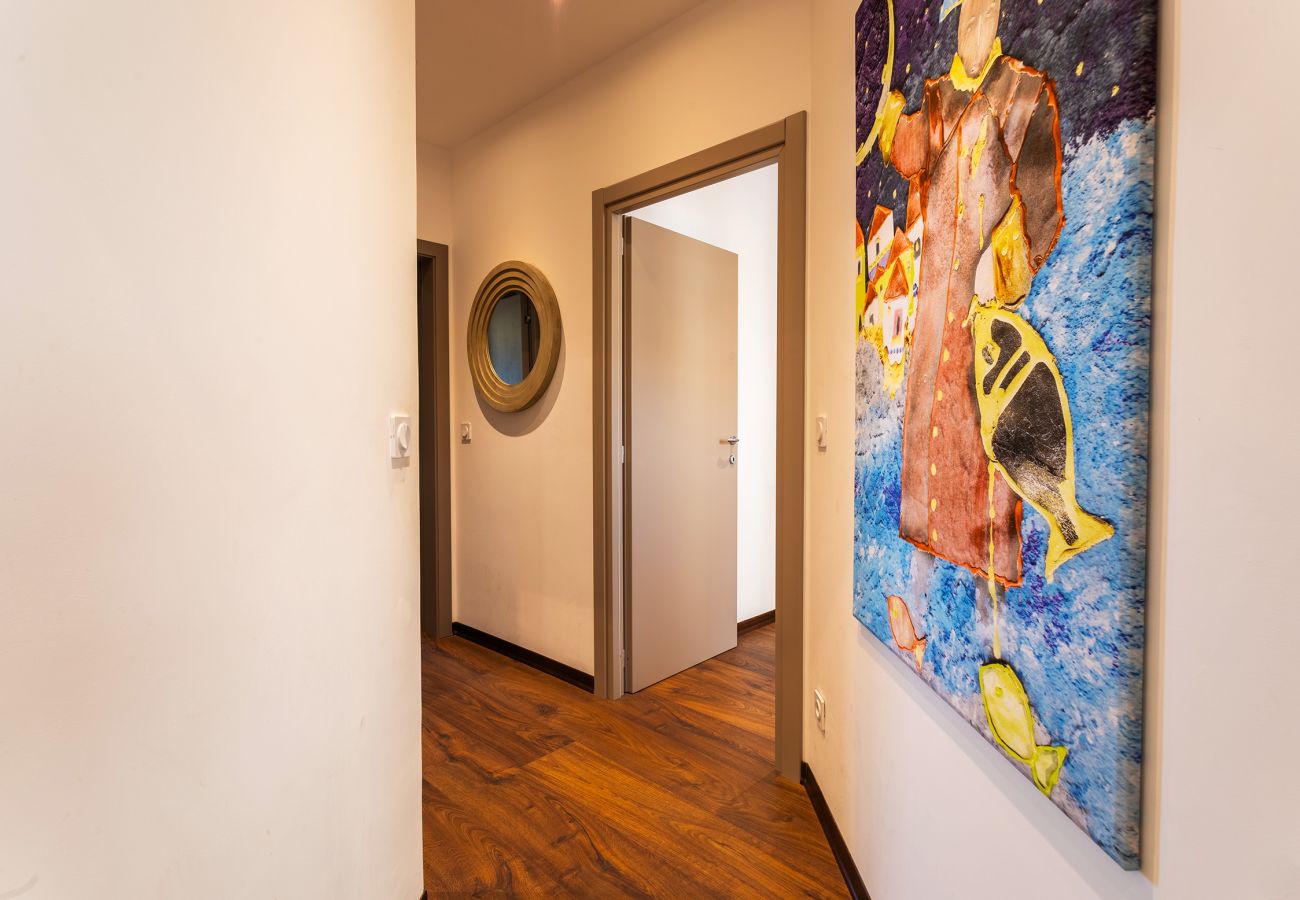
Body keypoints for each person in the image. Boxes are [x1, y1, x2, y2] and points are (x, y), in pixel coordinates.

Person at [879, 0, 1063, 586]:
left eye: (986, 14)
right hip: (933, 313)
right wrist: (886, 117)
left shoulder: (1025, 94)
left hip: (983, 316)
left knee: (982, 441)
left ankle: (987, 581)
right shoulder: (937, 99)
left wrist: (1006, 256)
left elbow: (1043, 205)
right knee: (929, 431)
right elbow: (907, 152)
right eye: (968, 15)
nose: (976, 27)